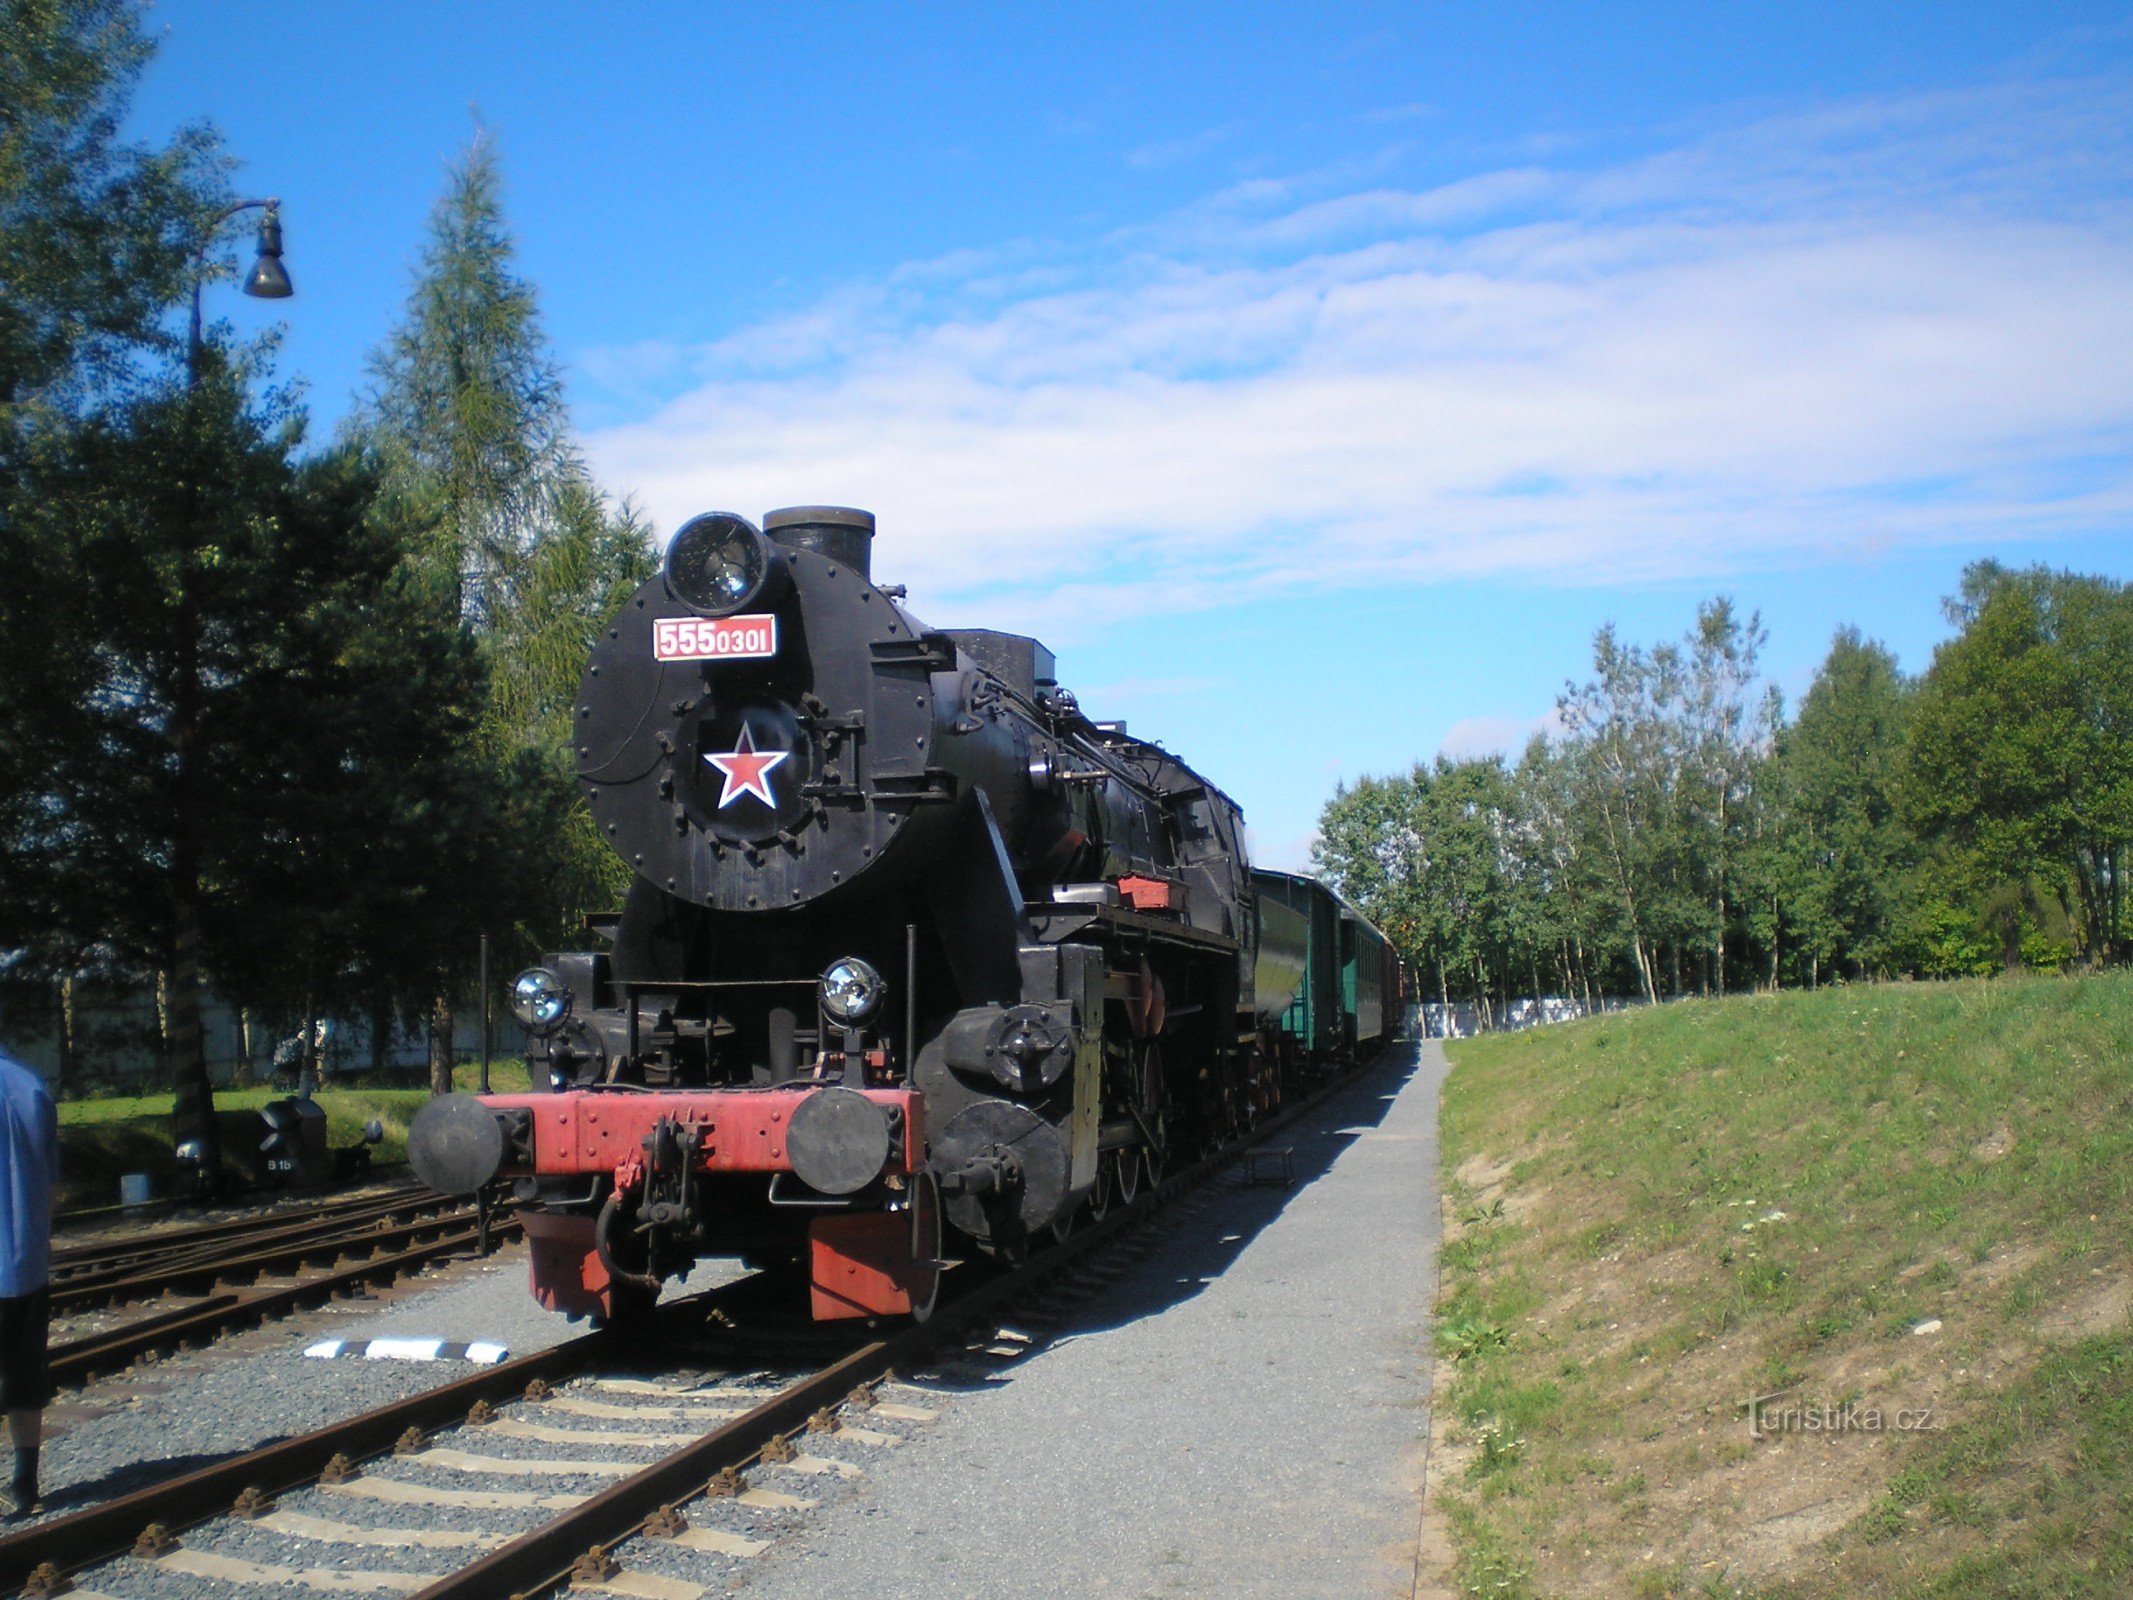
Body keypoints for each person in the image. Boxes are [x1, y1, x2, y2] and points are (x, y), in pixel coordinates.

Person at [0, 1048, 56, 1520]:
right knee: (24, 1372)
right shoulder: (29, 1086)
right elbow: (47, 1174)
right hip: (23, 1259)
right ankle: (23, 1482)